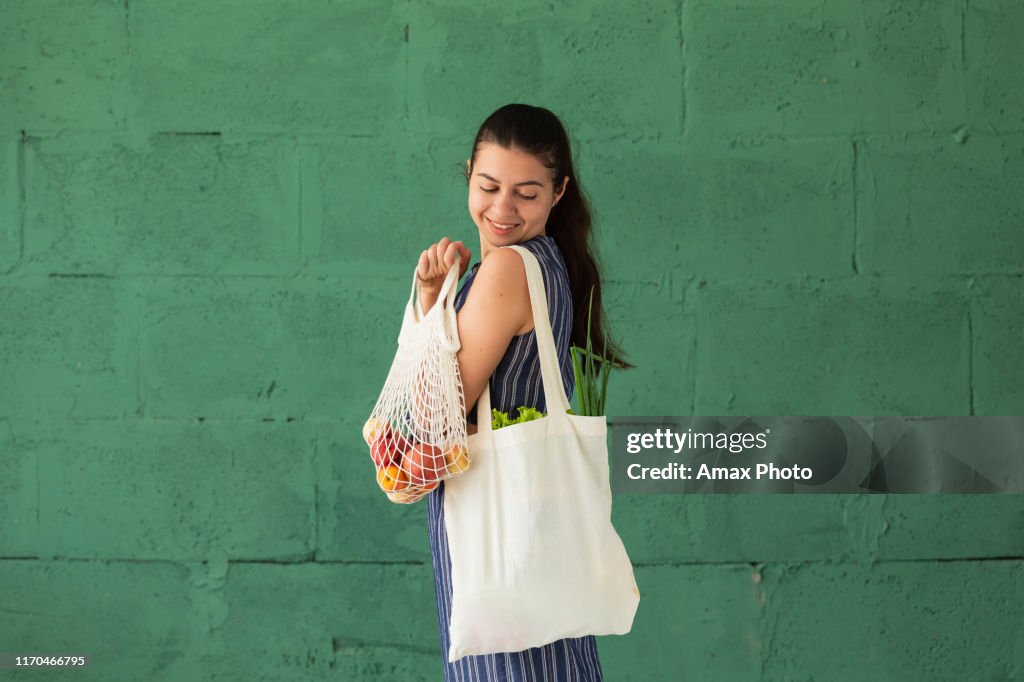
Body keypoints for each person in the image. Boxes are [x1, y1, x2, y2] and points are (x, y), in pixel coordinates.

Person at [414, 103, 629, 682]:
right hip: (533, 535)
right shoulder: (552, 263)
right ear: (468, 176)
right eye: (488, 186)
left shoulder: (508, 271)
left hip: (499, 539)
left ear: (559, 192)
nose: (502, 209)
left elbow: (434, 413)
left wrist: (428, 307)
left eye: (526, 193)